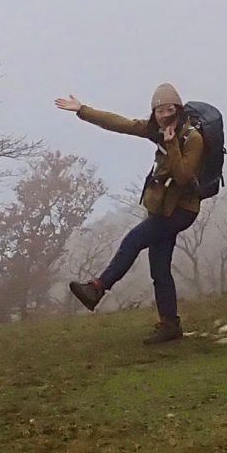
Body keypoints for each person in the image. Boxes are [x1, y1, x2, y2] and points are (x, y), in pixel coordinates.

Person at [57, 84, 204, 344]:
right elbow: (120, 124)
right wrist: (82, 110)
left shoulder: (192, 138)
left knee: (133, 240)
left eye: (169, 109)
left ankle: (97, 288)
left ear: (178, 110)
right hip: (162, 207)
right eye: (159, 110)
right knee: (159, 268)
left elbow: (182, 177)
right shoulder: (155, 130)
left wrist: (171, 146)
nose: (164, 115)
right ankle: (169, 325)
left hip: (182, 210)